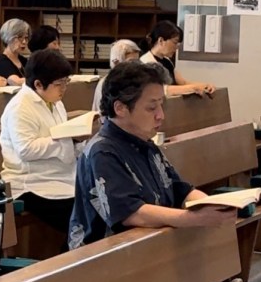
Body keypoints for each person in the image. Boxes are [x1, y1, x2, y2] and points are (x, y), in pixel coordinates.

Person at [68, 61, 236, 249]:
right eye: (151, 108)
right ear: (120, 108)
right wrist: (192, 218)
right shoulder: (102, 151)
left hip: (144, 245)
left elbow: (179, 189)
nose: (160, 115)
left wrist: (210, 204)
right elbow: (130, 213)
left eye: (161, 105)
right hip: (103, 253)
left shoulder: (144, 141)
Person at [0, 50, 78, 239]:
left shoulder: (55, 102)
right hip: (31, 184)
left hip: (59, 177)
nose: (64, 89)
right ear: (38, 84)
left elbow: (61, 136)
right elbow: (26, 149)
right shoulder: (20, 107)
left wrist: (79, 140)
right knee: (80, 220)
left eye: (66, 82)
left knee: (97, 203)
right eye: (59, 84)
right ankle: (73, 254)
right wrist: (67, 140)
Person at [140, 21, 215, 97]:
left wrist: (205, 86)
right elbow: (163, 89)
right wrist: (193, 88)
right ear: (161, 41)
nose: (176, 48)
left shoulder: (167, 61)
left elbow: (183, 83)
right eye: (175, 43)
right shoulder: (146, 61)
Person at [92, 38, 140, 114]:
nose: (135, 66)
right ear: (116, 62)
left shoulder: (137, 81)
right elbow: (103, 114)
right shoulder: (105, 84)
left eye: (137, 61)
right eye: (131, 62)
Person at [0, 18, 31, 86]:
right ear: (8, 37)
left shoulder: (23, 60)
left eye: (26, 38)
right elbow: (16, 82)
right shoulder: (2, 61)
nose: (24, 42)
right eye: (20, 37)